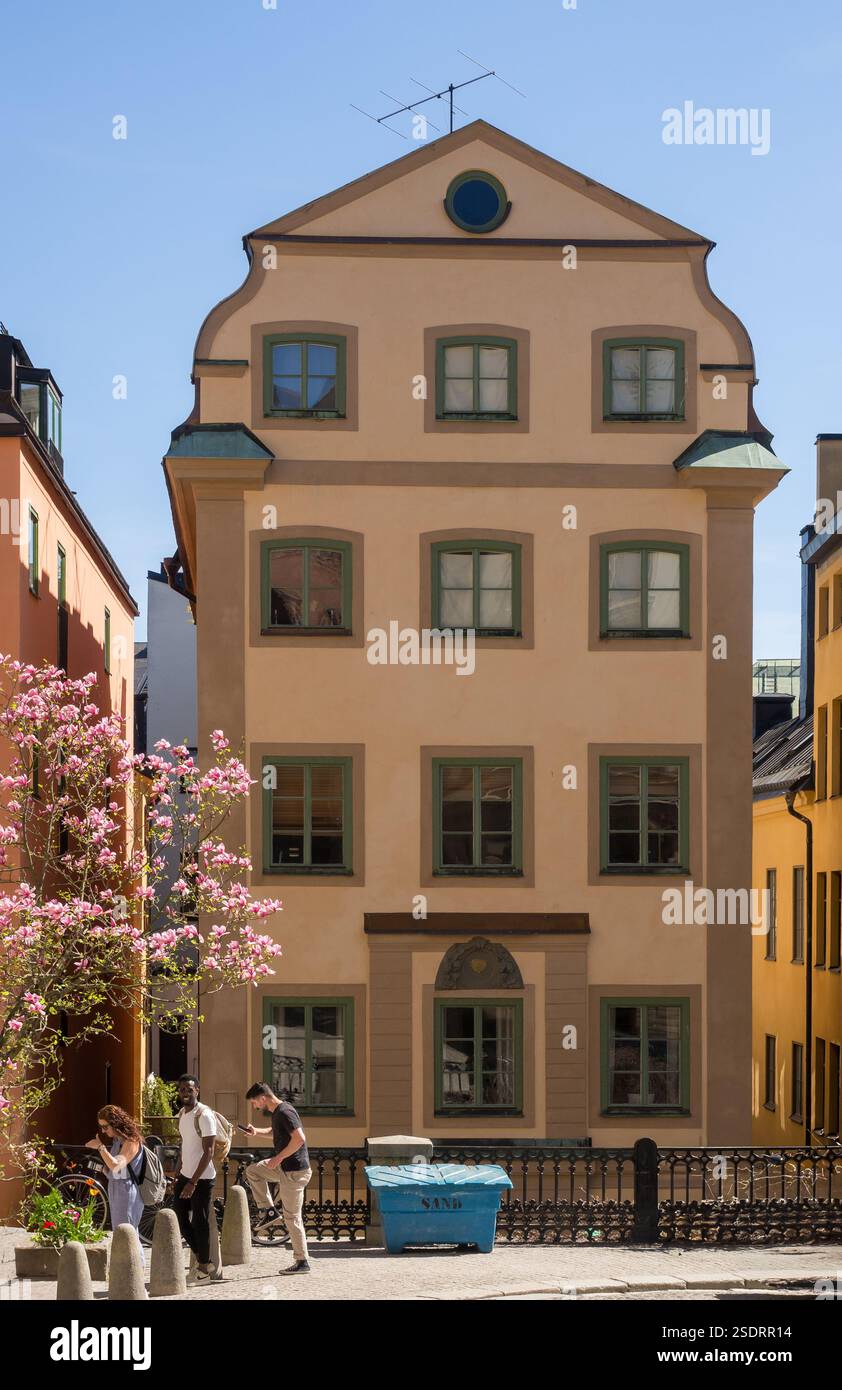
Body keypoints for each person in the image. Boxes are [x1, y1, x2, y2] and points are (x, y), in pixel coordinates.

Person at [243, 1082, 312, 1275]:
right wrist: (256, 1132)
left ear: (263, 1098)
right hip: (283, 1168)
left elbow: (299, 1139)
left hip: (295, 1172)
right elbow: (275, 1133)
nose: (254, 1106)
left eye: (254, 1102)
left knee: (292, 1217)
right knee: (253, 1171)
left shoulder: (285, 1112)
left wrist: (278, 1157)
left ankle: (302, 1261)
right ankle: (269, 1210)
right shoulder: (277, 1113)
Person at [173, 1074, 219, 1282]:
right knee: (180, 1219)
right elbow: (186, 1144)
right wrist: (179, 1169)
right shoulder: (182, 1113)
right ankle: (205, 1261)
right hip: (185, 1175)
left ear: (197, 1090)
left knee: (200, 1222)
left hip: (202, 1178)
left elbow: (208, 1151)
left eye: (189, 1089)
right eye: (182, 1089)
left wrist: (193, 1182)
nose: (185, 1093)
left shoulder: (204, 1115)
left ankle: (203, 1269)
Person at [85, 1105, 145, 1232]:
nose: (103, 1131)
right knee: (122, 1235)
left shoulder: (131, 1141)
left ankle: (136, 1253)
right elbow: (115, 1171)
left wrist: (100, 1147)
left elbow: (116, 1166)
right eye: (101, 1127)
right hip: (116, 1189)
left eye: (105, 1127)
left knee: (127, 1236)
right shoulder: (118, 1141)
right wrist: (103, 1169)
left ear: (115, 1123)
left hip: (126, 1191)